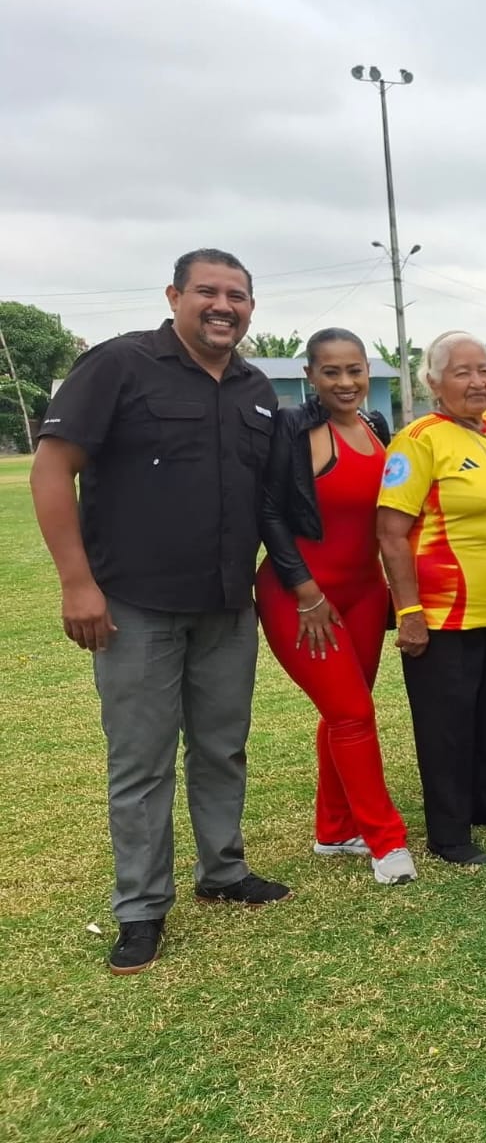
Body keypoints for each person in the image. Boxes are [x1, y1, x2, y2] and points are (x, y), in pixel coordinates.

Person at [30, 249, 291, 975]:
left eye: (237, 295)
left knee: (222, 747)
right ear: (174, 296)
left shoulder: (256, 389)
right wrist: (76, 584)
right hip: (133, 604)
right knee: (142, 761)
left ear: (251, 308)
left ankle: (223, 870)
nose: (223, 306)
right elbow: (53, 468)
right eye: (207, 291)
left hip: (226, 606)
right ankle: (141, 907)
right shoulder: (119, 365)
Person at [377, 331, 486, 867]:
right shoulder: (419, 440)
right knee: (446, 728)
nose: (477, 382)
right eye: (461, 372)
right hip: (444, 616)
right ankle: (448, 833)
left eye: (482, 371)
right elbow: (390, 533)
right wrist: (408, 612)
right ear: (433, 382)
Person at [256, 327, 416, 885]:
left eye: (355, 370)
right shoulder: (294, 429)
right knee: (352, 713)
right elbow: (269, 513)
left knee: (347, 711)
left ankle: (334, 829)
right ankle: (386, 842)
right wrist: (306, 594)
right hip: (301, 597)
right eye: (332, 372)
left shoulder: (375, 427)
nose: (346, 382)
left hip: (365, 593)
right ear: (311, 376)